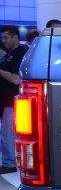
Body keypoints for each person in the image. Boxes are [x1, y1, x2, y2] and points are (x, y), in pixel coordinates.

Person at [0, 26, 28, 174]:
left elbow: (16, 79)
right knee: (8, 133)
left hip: (13, 100)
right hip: (6, 100)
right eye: (2, 38)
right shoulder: (8, 55)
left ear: (15, 37)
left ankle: (9, 162)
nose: (3, 41)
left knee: (8, 133)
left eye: (6, 37)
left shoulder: (22, 53)